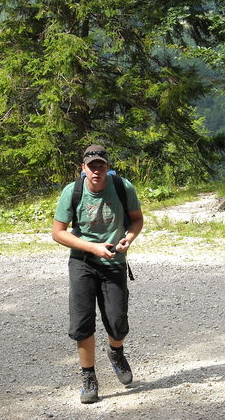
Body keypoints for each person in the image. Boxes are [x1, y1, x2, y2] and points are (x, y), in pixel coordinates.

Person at [52, 144, 144, 404]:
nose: (96, 171)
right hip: (82, 261)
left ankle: (115, 352)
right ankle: (88, 377)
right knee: (82, 323)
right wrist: (93, 247)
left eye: (100, 166)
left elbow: (137, 219)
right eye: (91, 166)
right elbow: (58, 232)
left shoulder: (122, 187)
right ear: (83, 168)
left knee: (117, 323)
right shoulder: (73, 191)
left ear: (107, 167)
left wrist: (129, 238)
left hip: (114, 260)